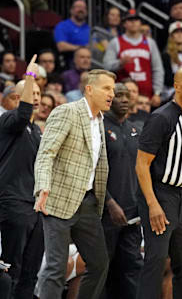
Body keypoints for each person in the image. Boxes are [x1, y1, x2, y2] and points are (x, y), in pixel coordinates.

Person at [34, 69, 117, 299]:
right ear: (89, 89)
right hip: (58, 199)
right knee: (56, 268)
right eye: (107, 88)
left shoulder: (100, 119)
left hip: (88, 202)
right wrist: (43, 187)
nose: (112, 93)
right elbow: (45, 154)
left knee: (99, 264)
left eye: (113, 89)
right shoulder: (66, 112)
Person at [135, 67, 182, 299]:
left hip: (180, 200)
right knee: (155, 263)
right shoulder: (161, 117)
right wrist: (152, 204)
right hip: (159, 193)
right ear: (176, 86)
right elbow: (141, 165)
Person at [0, 55, 43, 299]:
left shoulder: (36, 130)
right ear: (16, 98)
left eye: (38, 93)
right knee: (12, 270)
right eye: (30, 93)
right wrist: (29, 75)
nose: (35, 98)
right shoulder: (8, 120)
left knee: (30, 273)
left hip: (35, 205)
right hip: (14, 201)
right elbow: (24, 111)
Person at [102, 83, 143, 299]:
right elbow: (92, 173)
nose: (125, 99)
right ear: (109, 99)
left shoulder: (136, 129)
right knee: (103, 270)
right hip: (105, 212)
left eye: (127, 95)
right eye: (119, 95)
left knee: (132, 267)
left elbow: (145, 170)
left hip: (133, 211)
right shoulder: (98, 128)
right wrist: (109, 202)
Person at [103, 10, 164, 105]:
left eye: (136, 19)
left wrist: (157, 92)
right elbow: (106, 66)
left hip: (147, 98)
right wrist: (120, 63)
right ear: (124, 23)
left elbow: (157, 69)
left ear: (140, 23)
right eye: (129, 20)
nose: (133, 22)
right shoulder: (116, 42)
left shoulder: (150, 43)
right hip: (123, 98)